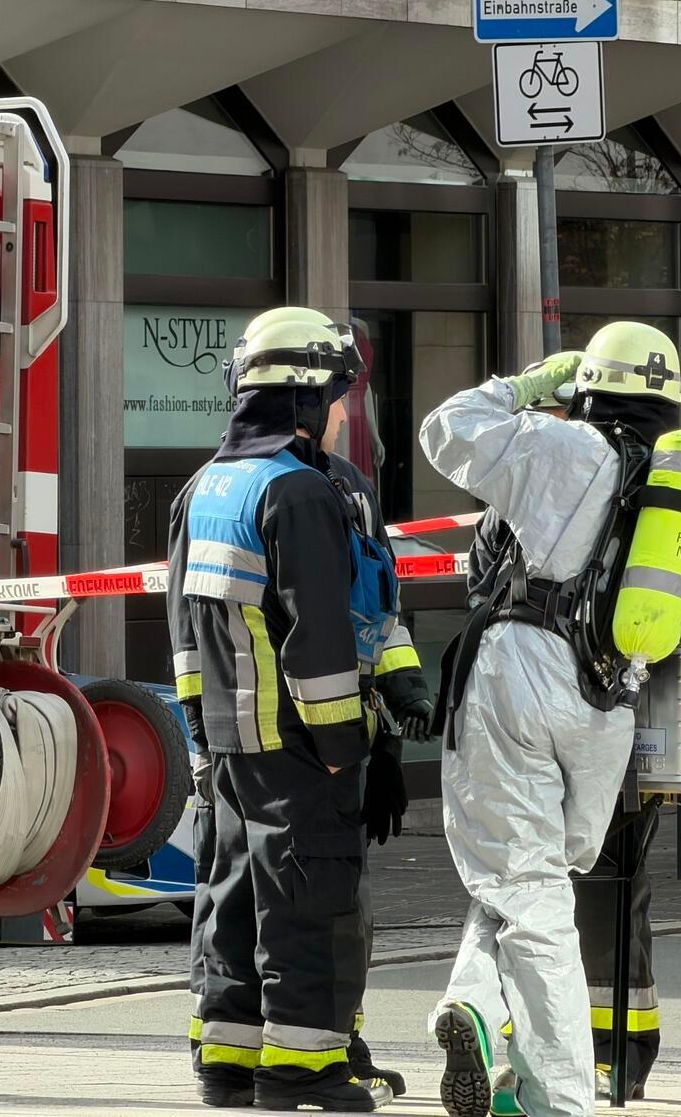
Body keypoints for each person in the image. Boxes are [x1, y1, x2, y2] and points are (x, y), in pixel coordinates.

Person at [419, 321, 681, 1117]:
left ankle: (558, 1094)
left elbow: (445, 431)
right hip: (607, 700)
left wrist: (526, 385)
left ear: (590, 387)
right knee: (535, 876)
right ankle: (490, 1024)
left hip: (518, 673)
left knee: (526, 886)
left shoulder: (557, 443)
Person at [168, 307, 428, 1112]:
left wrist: (200, 743)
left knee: (234, 897)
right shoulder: (299, 491)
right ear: (307, 396)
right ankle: (303, 1068)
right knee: (311, 901)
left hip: (231, 744)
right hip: (301, 745)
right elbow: (316, 643)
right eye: (339, 393)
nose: (347, 411)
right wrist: (353, 748)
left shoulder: (203, 488)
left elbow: (184, 638)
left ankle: (230, 1058)